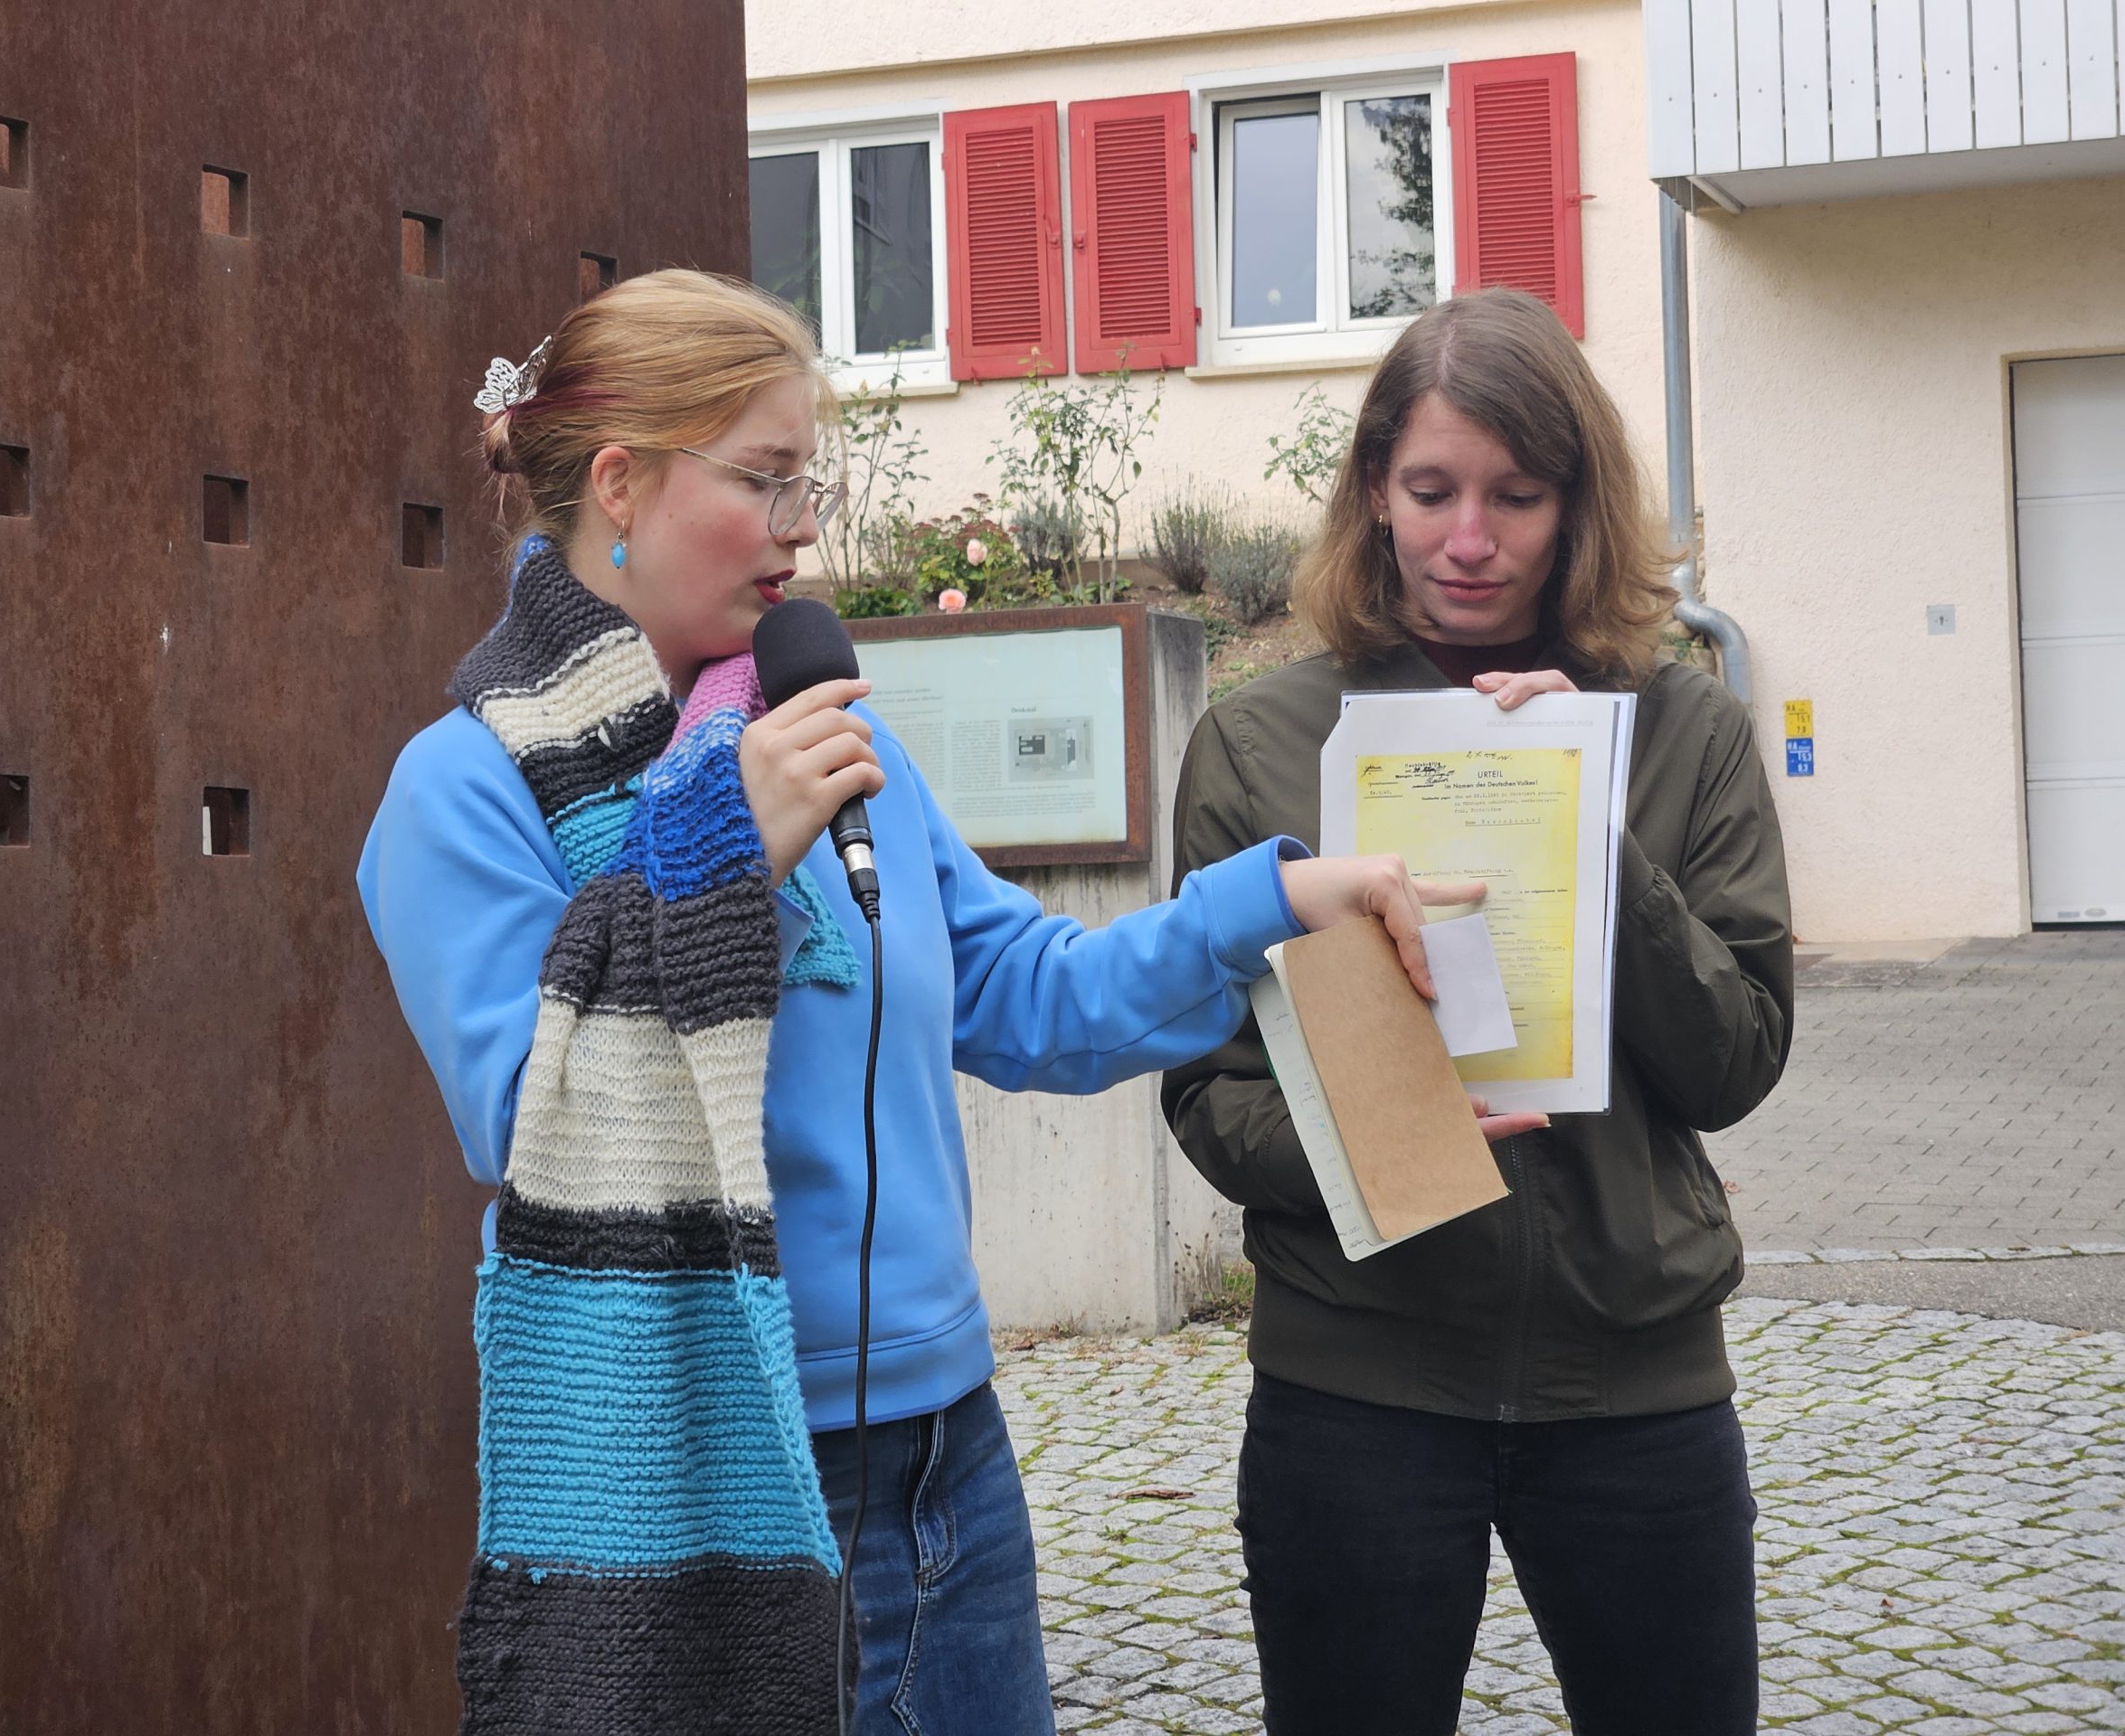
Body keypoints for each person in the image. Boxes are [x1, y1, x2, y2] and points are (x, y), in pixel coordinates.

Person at [354, 269, 1508, 1734]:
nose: (805, 528)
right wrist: (717, 855)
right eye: (766, 480)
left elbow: (1029, 994)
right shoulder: (459, 793)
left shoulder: (825, 733)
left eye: (809, 480)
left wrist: (1272, 904)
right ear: (620, 483)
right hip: (720, 1469)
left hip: (950, 1453)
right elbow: (535, 1120)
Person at [1163, 287, 1794, 1736]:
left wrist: (1592, 834)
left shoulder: (1681, 726)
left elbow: (1738, 1060)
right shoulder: (1266, 743)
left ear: (1578, 505)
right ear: (1374, 491)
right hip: (1357, 1378)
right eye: (1433, 490)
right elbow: (1205, 1087)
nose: (1469, 538)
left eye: (1517, 496)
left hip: (1635, 1376)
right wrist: (1380, 1127)